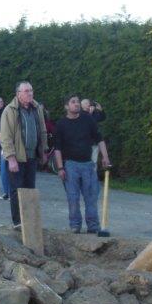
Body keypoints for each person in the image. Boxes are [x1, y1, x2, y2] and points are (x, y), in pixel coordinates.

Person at [54, 95, 111, 234]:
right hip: (70, 165)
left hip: (87, 164)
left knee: (91, 197)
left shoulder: (87, 119)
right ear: (67, 106)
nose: (77, 104)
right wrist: (60, 168)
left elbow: (99, 138)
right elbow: (57, 148)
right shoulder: (61, 124)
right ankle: (75, 225)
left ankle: (93, 226)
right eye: (73, 102)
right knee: (73, 198)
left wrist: (105, 157)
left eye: (78, 101)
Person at [0, 82, 48, 229]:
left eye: (31, 90)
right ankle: (18, 222)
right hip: (17, 157)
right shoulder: (10, 110)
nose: (30, 93)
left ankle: (30, 220)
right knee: (16, 189)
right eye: (26, 91)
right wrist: (11, 158)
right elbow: (6, 137)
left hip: (32, 156)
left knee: (30, 188)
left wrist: (43, 151)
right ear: (18, 94)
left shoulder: (36, 108)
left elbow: (43, 130)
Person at [81, 98, 107, 166]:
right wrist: (90, 113)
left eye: (89, 103)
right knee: (86, 161)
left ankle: (93, 176)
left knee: (94, 161)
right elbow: (85, 124)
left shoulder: (94, 113)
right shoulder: (80, 114)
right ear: (82, 105)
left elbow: (102, 118)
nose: (89, 104)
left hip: (94, 141)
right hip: (85, 142)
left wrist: (101, 110)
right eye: (86, 103)